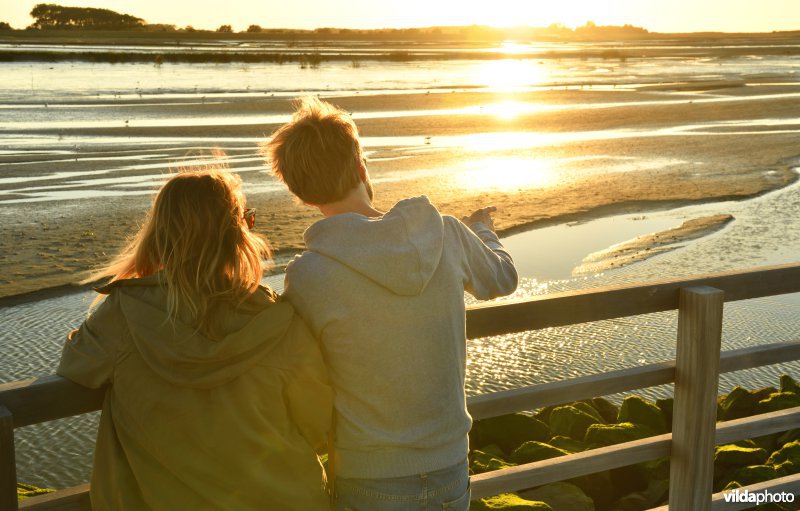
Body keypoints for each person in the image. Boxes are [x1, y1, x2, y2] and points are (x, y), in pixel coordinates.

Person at [265, 97, 518, 510]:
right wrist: (483, 232)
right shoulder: (448, 235)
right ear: (362, 168)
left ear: (303, 194)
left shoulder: (309, 275)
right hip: (449, 462)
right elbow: (503, 279)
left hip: (368, 474)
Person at [57, 168, 333, 511]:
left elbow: (76, 366)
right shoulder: (278, 320)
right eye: (247, 220)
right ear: (237, 237)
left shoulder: (124, 314)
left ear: (158, 235)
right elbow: (319, 424)